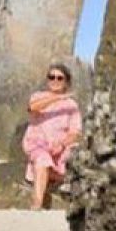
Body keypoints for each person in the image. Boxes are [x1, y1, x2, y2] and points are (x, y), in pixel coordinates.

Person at [22, 63, 82, 210]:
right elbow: (33, 108)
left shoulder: (72, 105)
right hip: (38, 143)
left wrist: (61, 145)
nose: (55, 80)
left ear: (66, 81)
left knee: (75, 158)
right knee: (42, 160)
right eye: (51, 77)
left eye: (59, 78)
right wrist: (58, 98)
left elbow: (75, 132)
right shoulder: (38, 97)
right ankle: (36, 204)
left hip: (60, 146)